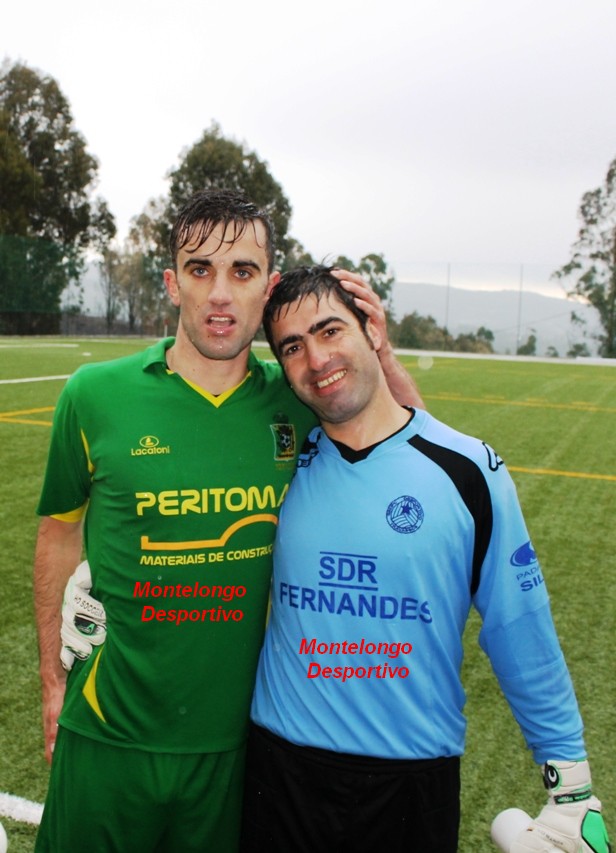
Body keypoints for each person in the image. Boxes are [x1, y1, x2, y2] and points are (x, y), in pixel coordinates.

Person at [33, 191, 423, 852]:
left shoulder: (296, 401)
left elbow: (413, 458)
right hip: (105, 729)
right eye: (200, 269)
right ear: (172, 283)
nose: (220, 294)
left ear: (268, 289)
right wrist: (52, 680)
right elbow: (59, 531)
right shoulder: (93, 396)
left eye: (242, 272)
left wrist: (379, 355)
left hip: (236, 743)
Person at [240, 265, 610, 853]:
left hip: (411, 784)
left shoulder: (469, 471)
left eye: (331, 330)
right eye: (292, 346)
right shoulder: (279, 459)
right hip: (279, 775)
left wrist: (571, 785)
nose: (316, 358)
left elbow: (519, 625)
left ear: (372, 330)